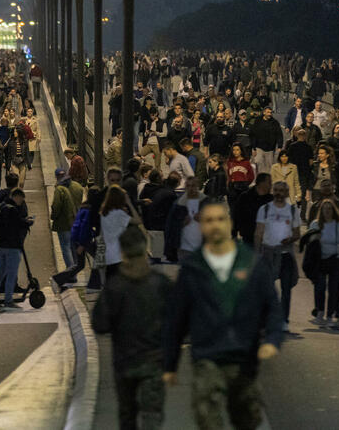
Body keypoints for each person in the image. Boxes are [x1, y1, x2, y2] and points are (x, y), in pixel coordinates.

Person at [163, 201, 282, 430]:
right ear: (201, 226)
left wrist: (272, 340)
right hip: (207, 356)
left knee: (247, 418)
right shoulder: (192, 268)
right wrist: (170, 364)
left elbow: (272, 306)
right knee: (207, 414)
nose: (215, 225)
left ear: (230, 224)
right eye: (208, 220)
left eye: (220, 219)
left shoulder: (251, 263)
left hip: (244, 357)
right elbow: (176, 319)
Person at [92, 225, 171, 430]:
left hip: (124, 362)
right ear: (145, 248)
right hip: (154, 361)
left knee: (127, 415)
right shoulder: (160, 283)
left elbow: (99, 325)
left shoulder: (115, 285)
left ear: (122, 250)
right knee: (152, 413)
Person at [254, 181, 300, 331]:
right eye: (277, 190)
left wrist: (290, 239)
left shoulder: (293, 211)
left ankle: (284, 320)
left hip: (286, 255)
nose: (279, 193)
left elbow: (297, 233)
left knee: (286, 290)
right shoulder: (265, 209)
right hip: (268, 253)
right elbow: (258, 233)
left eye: (282, 191)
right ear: (273, 192)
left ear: (287, 193)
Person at [0, 188, 32, 308]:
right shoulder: (12, 210)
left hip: (1, 245)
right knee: (11, 273)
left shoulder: (1, 206)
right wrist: (28, 222)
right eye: (21, 200)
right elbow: (17, 224)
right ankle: (8, 299)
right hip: (12, 246)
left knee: (0, 272)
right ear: (17, 197)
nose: (21, 202)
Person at [308, 198, 339, 325]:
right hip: (320, 260)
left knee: (333, 288)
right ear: (321, 210)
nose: (327, 211)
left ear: (333, 210)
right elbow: (311, 243)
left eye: (330, 208)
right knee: (319, 287)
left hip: (335, 259)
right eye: (325, 209)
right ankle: (320, 313)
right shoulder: (315, 224)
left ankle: (330, 315)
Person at [50, 168, 82, 269]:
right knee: (73, 246)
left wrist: (53, 216)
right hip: (76, 220)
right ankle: (76, 267)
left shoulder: (59, 189)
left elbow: (56, 206)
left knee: (65, 247)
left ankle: (70, 270)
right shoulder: (78, 187)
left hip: (63, 222)